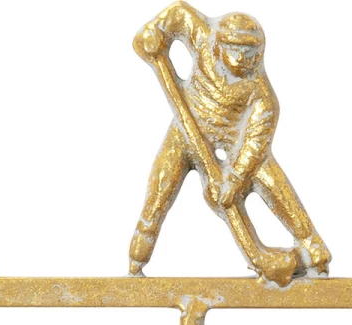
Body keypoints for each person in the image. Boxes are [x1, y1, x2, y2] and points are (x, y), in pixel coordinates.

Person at [128, 1, 332, 286]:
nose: (241, 59)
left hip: (235, 144)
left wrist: (233, 181)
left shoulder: (262, 96)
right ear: (217, 45)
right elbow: (172, 17)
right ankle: (137, 260)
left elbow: (254, 145)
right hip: (186, 132)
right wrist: (151, 36)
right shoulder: (202, 35)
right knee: (158, 195)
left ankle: (312, 247)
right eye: (234, 49)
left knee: (269, 178)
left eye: (249, 52)